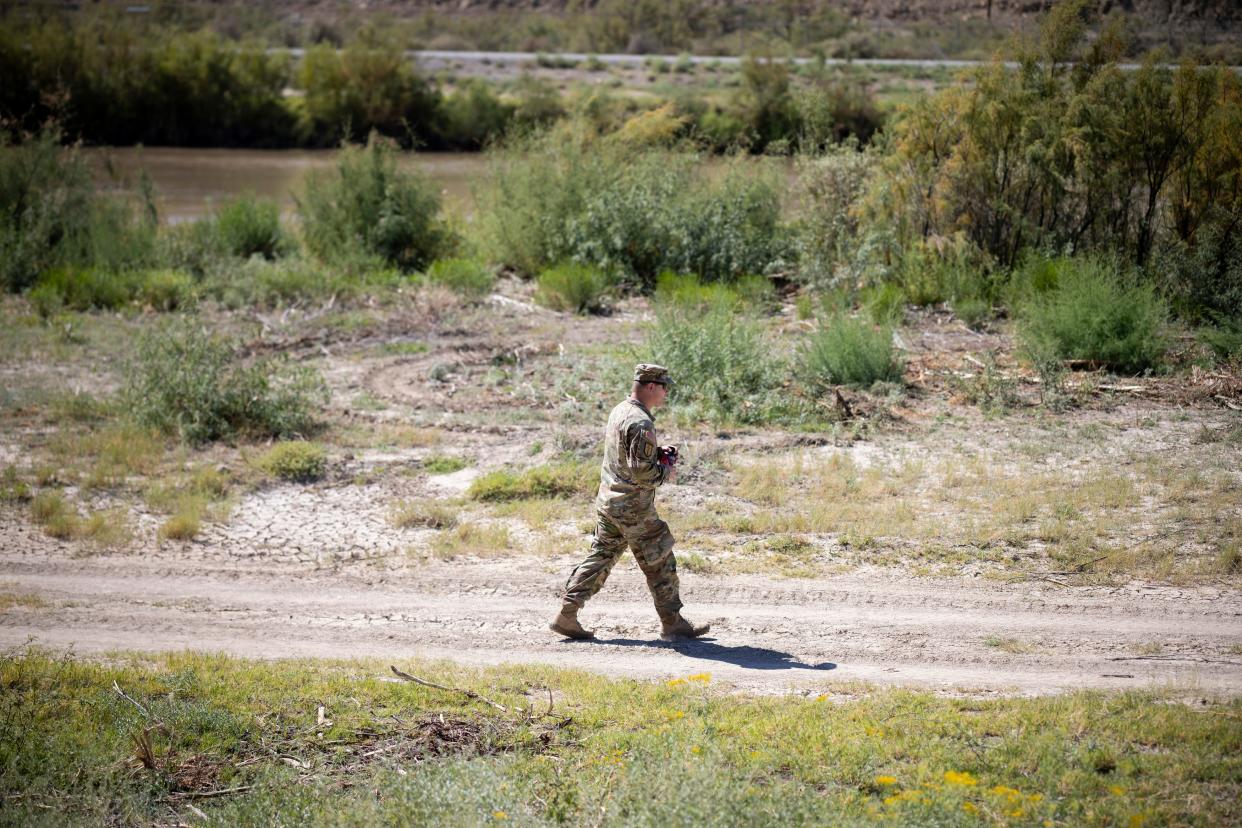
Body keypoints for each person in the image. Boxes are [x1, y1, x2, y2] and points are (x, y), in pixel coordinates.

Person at [550, 363, 710, 641]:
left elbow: (627, 455)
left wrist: (657, 452)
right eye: (664, 387)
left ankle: (566, 614)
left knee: (600, 557)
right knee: (660, 561)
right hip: (633, 508)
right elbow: (642, 471)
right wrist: (665, 471)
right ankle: (672, 623)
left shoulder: (620, 411)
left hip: (609, 502)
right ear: (650, 387)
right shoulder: (640, 422)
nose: (666, 393)